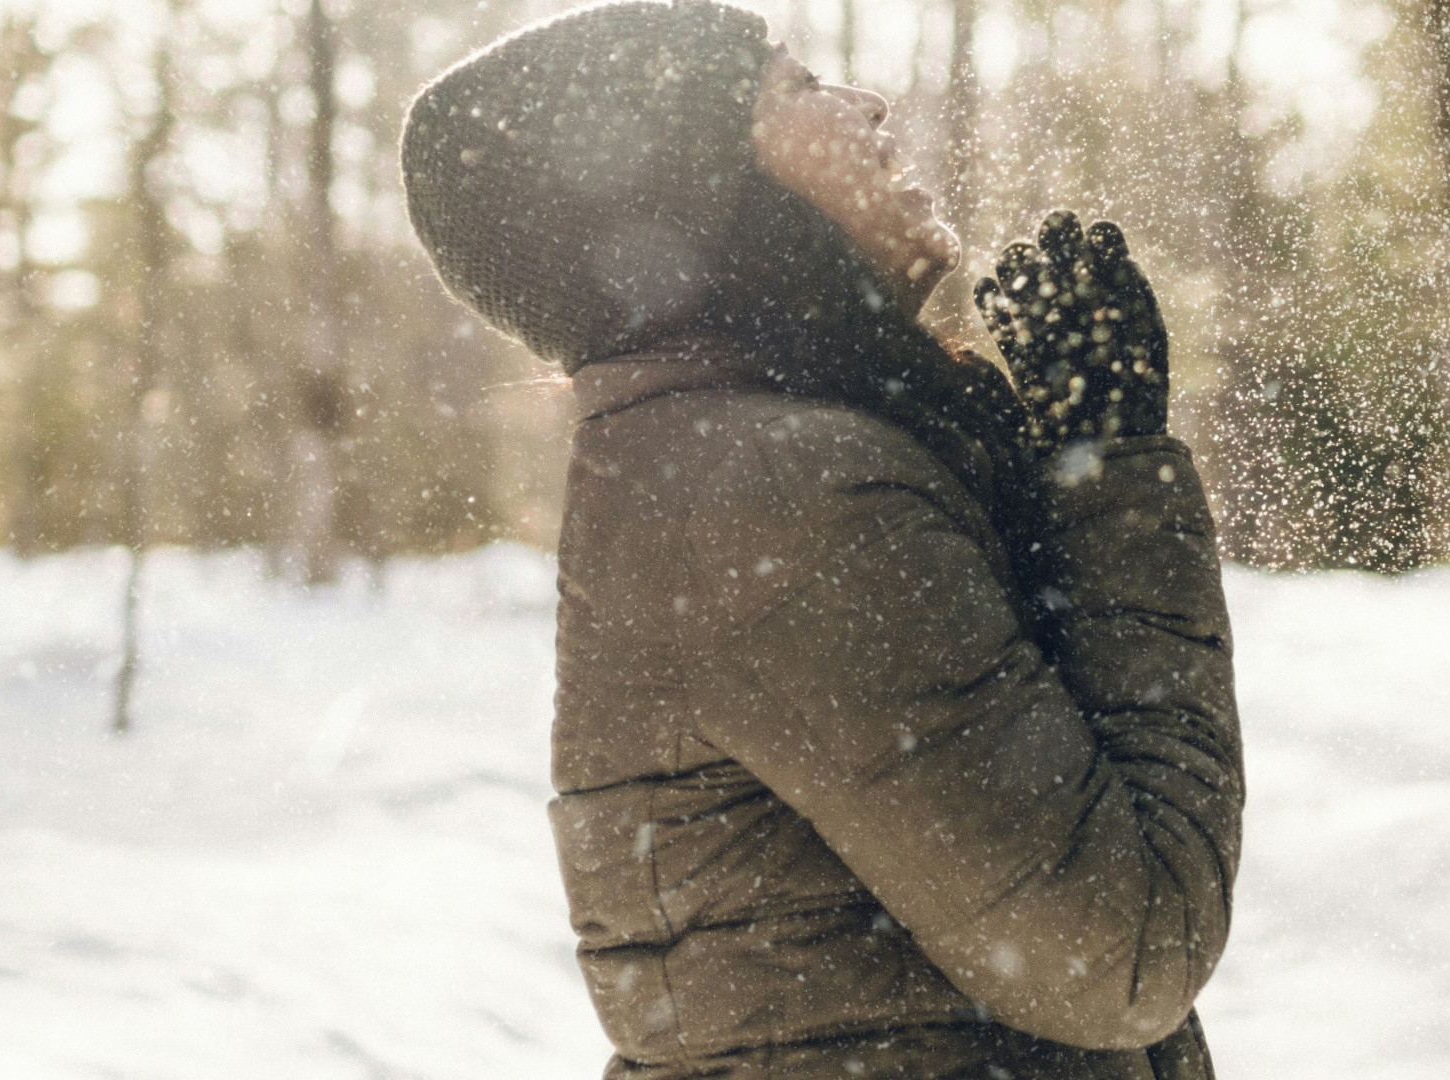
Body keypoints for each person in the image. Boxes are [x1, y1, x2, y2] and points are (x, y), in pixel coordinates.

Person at [400, 3, 1243, 1077]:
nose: (867, 104)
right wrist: (1116, 470)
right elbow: (1123, 949)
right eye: (797, 91)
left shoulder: (730, 464)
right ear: (699, 194)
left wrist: (1069, 464)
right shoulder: (778, 496)